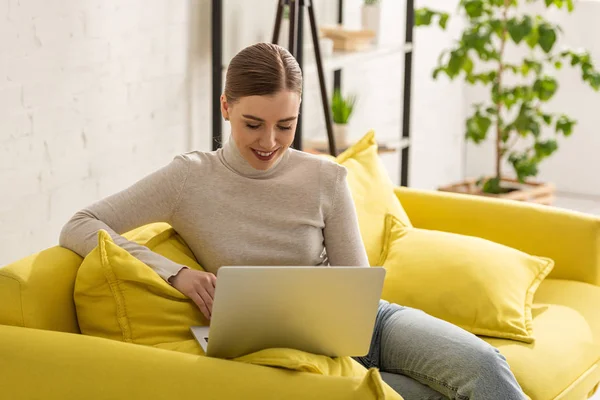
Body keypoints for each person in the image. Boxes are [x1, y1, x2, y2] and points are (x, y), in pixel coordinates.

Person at [59, 42, 526, 400]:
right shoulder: (188, 178)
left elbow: (359, 288)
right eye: (252, 123)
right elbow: (81, 223)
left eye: (286, 125)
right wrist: (175, 274)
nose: (269, 141)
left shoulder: (324, 176)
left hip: (363, 326)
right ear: (226, 108)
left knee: (484, 367)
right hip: (275, 345)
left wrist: (349, 315)